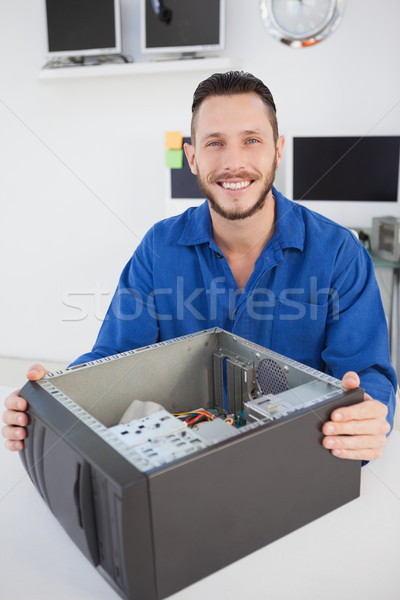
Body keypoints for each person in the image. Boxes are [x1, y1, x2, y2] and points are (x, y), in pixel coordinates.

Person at [2, 71, 396, 461]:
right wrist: (55, 397)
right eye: (215, 143)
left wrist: (367, 416)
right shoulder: (159, 248)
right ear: (193, 157)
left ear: (278, 150)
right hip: (183, 468)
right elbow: (114, 358)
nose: (233, 162)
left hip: (298, 465)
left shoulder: (339, 253)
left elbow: (368, 374)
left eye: (252, 140)